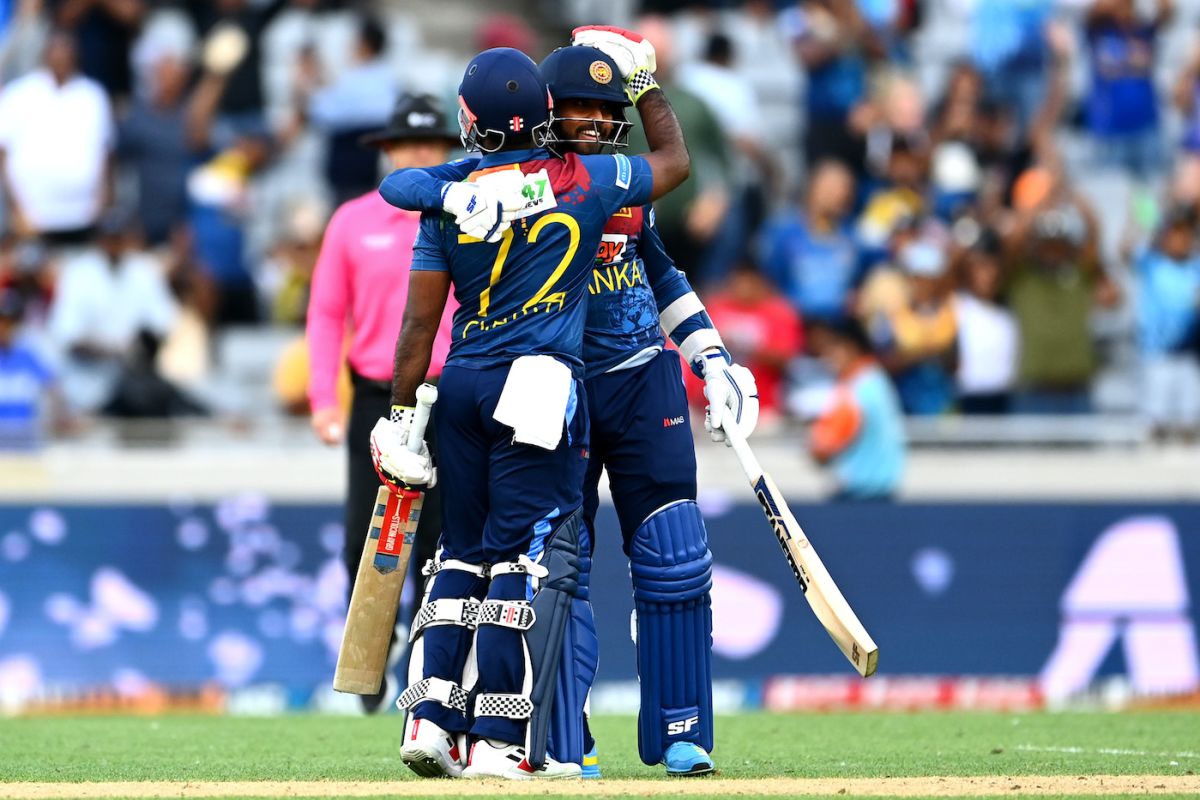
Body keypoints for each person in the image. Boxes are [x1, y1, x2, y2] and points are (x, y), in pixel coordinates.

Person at [369, 32, 698, 780]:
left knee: (460, 551)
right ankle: (497, 742)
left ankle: (428, 718)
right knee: (521, 559)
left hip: (463, 385)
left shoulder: (452, 197)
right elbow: (676, 164)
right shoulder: (586, 179)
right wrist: (644, 83)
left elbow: (419, 314)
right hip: (542, 386)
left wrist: (395, 415)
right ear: (546, 113)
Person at [304, 93, 459, 714]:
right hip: (376, 396)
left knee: (444, 541)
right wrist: (323, 399)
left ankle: (432, 674)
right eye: (407, 145)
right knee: (361, 539)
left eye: (430, 145)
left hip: (452, 393)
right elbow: (324, 313)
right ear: (387, 152)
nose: (419, 154)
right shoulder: (352, 221)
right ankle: (367, 670)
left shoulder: (466, 218)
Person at [807, 317, 905, 501]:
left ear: (850, 348)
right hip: (885, 490)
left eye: (832, 349)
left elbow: (821, 450)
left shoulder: (854, 390)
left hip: (858, 494)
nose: (826, 357)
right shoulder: (877, 379)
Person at [1130, 206, 1200, 441]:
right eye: (1174, 233)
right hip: (1156, 355)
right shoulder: (1152, 264)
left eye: (1185, 233)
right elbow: (1126, 248)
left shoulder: (1196, 268)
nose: (1180, 239)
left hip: (1189, 355)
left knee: (1189, 422)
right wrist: (1140, 215)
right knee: (1154, 422)